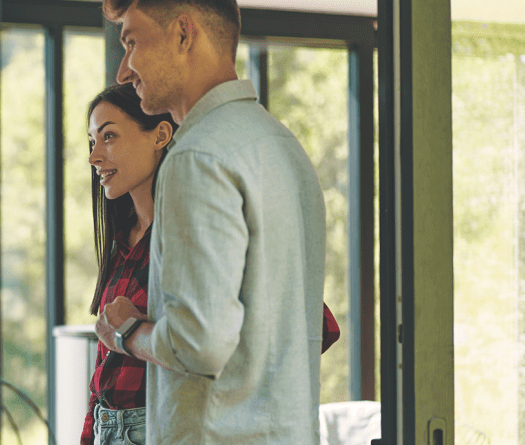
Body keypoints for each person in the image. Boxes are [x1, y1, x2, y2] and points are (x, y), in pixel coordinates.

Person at [91, 0, 329, 443]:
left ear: (183, 34)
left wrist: (125, 333)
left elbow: (198, 344)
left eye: (132, 43)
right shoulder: (282, 147)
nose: (125, 70)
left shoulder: (196, 157)